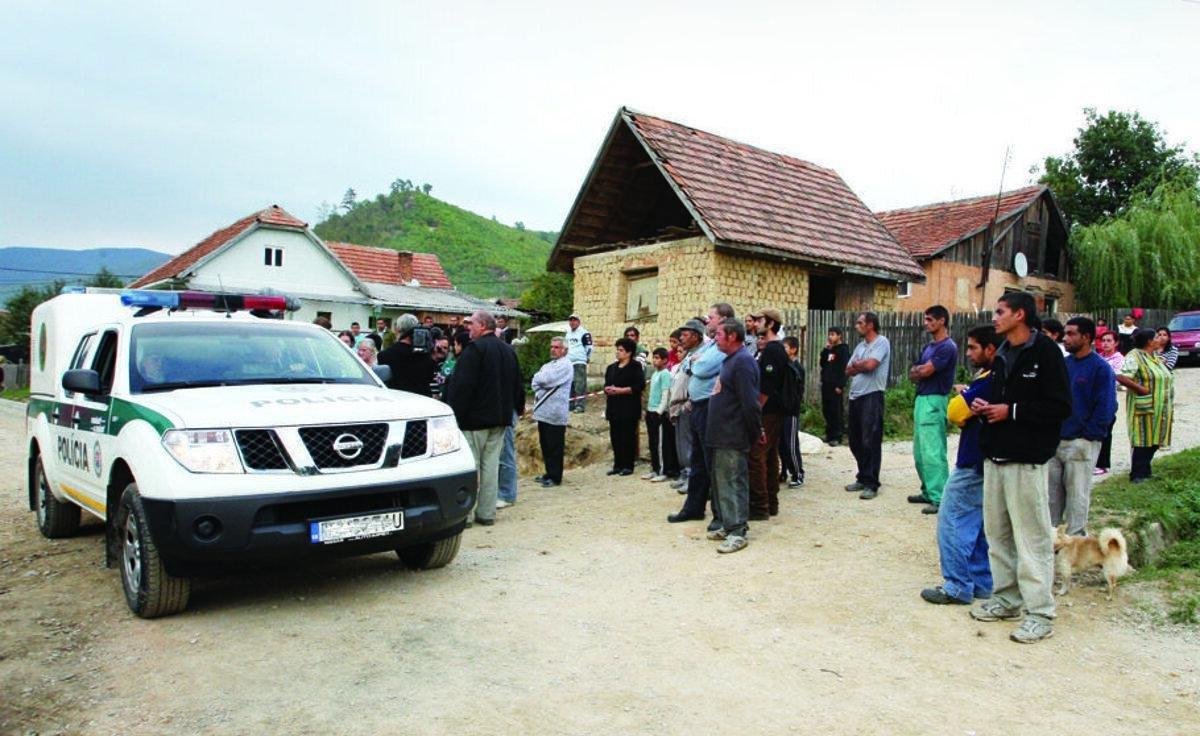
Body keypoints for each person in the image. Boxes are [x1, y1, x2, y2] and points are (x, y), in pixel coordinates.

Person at [969, 291, 1071, 644]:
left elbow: (1059, 406)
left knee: (1033, 538)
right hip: (996, 454)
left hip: (1026, 459)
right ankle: (1007, 598)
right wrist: (989, 406)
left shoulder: (1046, 353)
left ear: (1021, 315)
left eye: (1000, 312)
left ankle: (1040, 612)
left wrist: (1009, 411)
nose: (994, 317)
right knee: (998, 535)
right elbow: (1005, 399)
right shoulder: (1004, 355)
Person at [920, 324, 999, 606]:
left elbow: (954, 412)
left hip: (973, 461)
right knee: (976, 523)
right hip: (985, 460)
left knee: (950, 519)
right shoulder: (996, 377)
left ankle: (956, 585)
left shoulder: (989, 380)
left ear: (990, 349)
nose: (968, 353)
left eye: (973, 347)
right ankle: (981, 582)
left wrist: (964, 404)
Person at [444, 310, 525, 526]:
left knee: (472, 467)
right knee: (491, 467)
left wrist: (455, 416)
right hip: (499, 419)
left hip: (474, 421)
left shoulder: (474, 350)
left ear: (482, 326)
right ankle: (487, 513)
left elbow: (462, 387)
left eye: (471, 324)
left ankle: (467, 514)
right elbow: (518, 384)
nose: (468, 327)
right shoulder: (508, 351)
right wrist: (517, 409)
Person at [1047, 317, 1116, 536]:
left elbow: (1106, 407)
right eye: (1065, 334)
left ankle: (1076, 543)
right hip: (1056, 440)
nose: (1065, 338)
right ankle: (1052, 541)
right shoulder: (1064, 365)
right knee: (1051, 497)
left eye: (1071, 334)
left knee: (1077, 496)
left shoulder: (1101, 368)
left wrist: (1089, 436)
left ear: (1086, 337)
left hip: (1081, 442)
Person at [669, 304, 734, 525]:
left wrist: (695, 365)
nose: (707, 321)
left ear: (723, 319)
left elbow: (700, 369)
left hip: (710, 408)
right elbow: (688, 364)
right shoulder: (711, 345)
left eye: (712, 317)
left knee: (711, 463)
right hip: (697, 407)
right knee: (698, 463)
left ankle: (720, 514)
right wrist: (694, 364)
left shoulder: (722, 347)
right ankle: (693, 508)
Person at [705, 317, 761, 554]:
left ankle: (738, 532)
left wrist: (754, 432)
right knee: (721, 483)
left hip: (733, 434)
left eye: (719, 334)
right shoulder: (730, 361)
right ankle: (728, 525)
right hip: (720, 434)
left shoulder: (743, 363)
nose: (715, 337)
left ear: (733, 336)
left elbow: (750, 403)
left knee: (732, 482)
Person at [908, 305, 958, 515]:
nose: (926, 323)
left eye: (930, 320)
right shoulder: (929, 347)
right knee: (919, 451)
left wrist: (921, 371)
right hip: (922, 399)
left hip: (935, 399)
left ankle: (939, 496)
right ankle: (928, 491)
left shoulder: (947, 347)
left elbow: (926, 370)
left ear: (941, 321)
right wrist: (920, 371)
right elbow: (914, 372)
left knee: (933, 451)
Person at [1116, 328, 1174, 483]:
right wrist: (1140, 389)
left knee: (1154, 440)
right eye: (1156, 337)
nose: (1160, 339)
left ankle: (1146, 471)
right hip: (1144, 407)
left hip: (1159, 406)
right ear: (1149, 341)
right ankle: (1137, 475)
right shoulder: (1134, 356)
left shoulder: (1154, 356)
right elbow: (1121, 376)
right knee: (1143, 440)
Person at [845, 312, 890, 500]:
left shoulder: (881, 342)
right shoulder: (860, 346)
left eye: (860, 323)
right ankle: (862, 476)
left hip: (871, 396)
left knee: (870, 439)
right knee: (854, 440)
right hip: (855, 396)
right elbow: (848, 370)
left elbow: (871, 365)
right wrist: (858, 365)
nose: (857, 326)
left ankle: (872, 482)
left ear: (870, 325)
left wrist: (859, 365)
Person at [748, 308, 788, 519]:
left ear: (771, 324)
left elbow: (767, 387)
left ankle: (759, 506)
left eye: (760, 320)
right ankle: (771, 503)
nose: (756, 323)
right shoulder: (769, 349)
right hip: (771, 412)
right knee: (770, 457)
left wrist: (756, 410)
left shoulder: (774, 350)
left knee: (756, 456)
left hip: (768, 412)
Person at [531, 337, 574, 487]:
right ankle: (548, 472)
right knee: (546, 445)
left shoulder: (565, 365)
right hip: (544, 411)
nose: (553, 349)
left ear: (564, 350)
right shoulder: (549, 365)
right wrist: (539, 379)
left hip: (556, 412)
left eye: (557, 347)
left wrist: (539, 379)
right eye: (552, 346)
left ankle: (555, 477)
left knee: (555, 446)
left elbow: (547, 379)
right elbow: (536, 381)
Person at [667, 321, 702, 493]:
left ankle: (690, 477)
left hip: (688, 405)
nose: (681, 338)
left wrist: (689, 403)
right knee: (681, 444)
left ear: (696, 336)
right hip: (679, 405)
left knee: (689, 444)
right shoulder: (688, 355)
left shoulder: (700, 354)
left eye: (685, 334)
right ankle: (684, 474)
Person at [603, 337, 645, 476]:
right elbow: (606, 384)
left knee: (627, 437)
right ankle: (617, 464)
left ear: (629, 353)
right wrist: (608, 389)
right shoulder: (611, 368)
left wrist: (621, 390)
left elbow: (639, 386)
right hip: (614, 407)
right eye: (617, 350)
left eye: (621, 350)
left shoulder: (635, 367)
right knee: (615, 436)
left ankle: (628, 465)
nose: (618, 352)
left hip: (629, 408)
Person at [377, 314, 437, 396]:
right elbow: (429, 378)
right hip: (422, 400)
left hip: (398, 400)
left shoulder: (385, 355)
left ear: (397, 329)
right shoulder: (425, 354)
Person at [642, 347, 679, 482]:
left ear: (665, 360)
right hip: (651, 411)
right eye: (654, 357)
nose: (655, 360)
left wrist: (659, 411)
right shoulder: (654, 374)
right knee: (652, 442)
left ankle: (664, 470)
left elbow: (665, 394)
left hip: (660, 413)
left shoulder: (665, 374)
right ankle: (655, 468)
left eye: (658, 358)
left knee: (661, 444)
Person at [1093, 330, 1124, 476]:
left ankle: (1103, 463)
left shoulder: (1118, 359)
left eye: (1109, 340)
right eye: (1103, 340)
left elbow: (1116, 377)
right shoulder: (1098, 357)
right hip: (1094, 399)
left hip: (1109, 399)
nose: (1105, 343)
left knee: (1106, 432)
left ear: (1116, 343)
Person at [779, 336, 805, 488]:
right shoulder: (785, 366)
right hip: (781, 411)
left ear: (793, 349)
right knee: (780, 445)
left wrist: (790, 406)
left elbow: (795, 393)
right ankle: (784, 471)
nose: (783, 351)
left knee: (790, 444)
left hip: (791, 412)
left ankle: (798, 473)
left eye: (785, 348)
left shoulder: (796, 368)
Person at [819, 327, 850, 446]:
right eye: (829, 334)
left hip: (835, 385)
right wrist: (825, 350)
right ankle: (829, 433)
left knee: (836, 410)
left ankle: (837, 436)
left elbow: (845, 368)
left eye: (833, 334)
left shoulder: (843, 350)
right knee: (827, 409)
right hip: (826, 383)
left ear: (839, 336)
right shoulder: (830, 350)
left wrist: (841, 385)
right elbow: (823, 363)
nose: (830, 337)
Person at [564, 314, 593, 413]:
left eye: (574, 320)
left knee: (579, 384)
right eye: (570, 320)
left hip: (579, 361)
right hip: (568, 362)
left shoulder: (584, 333)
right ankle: (570, 404)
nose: (572, 322)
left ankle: (580, 406)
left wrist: (587, 358)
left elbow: (589, 347)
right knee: (570, 384)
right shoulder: (568, 333)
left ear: (579, 322)